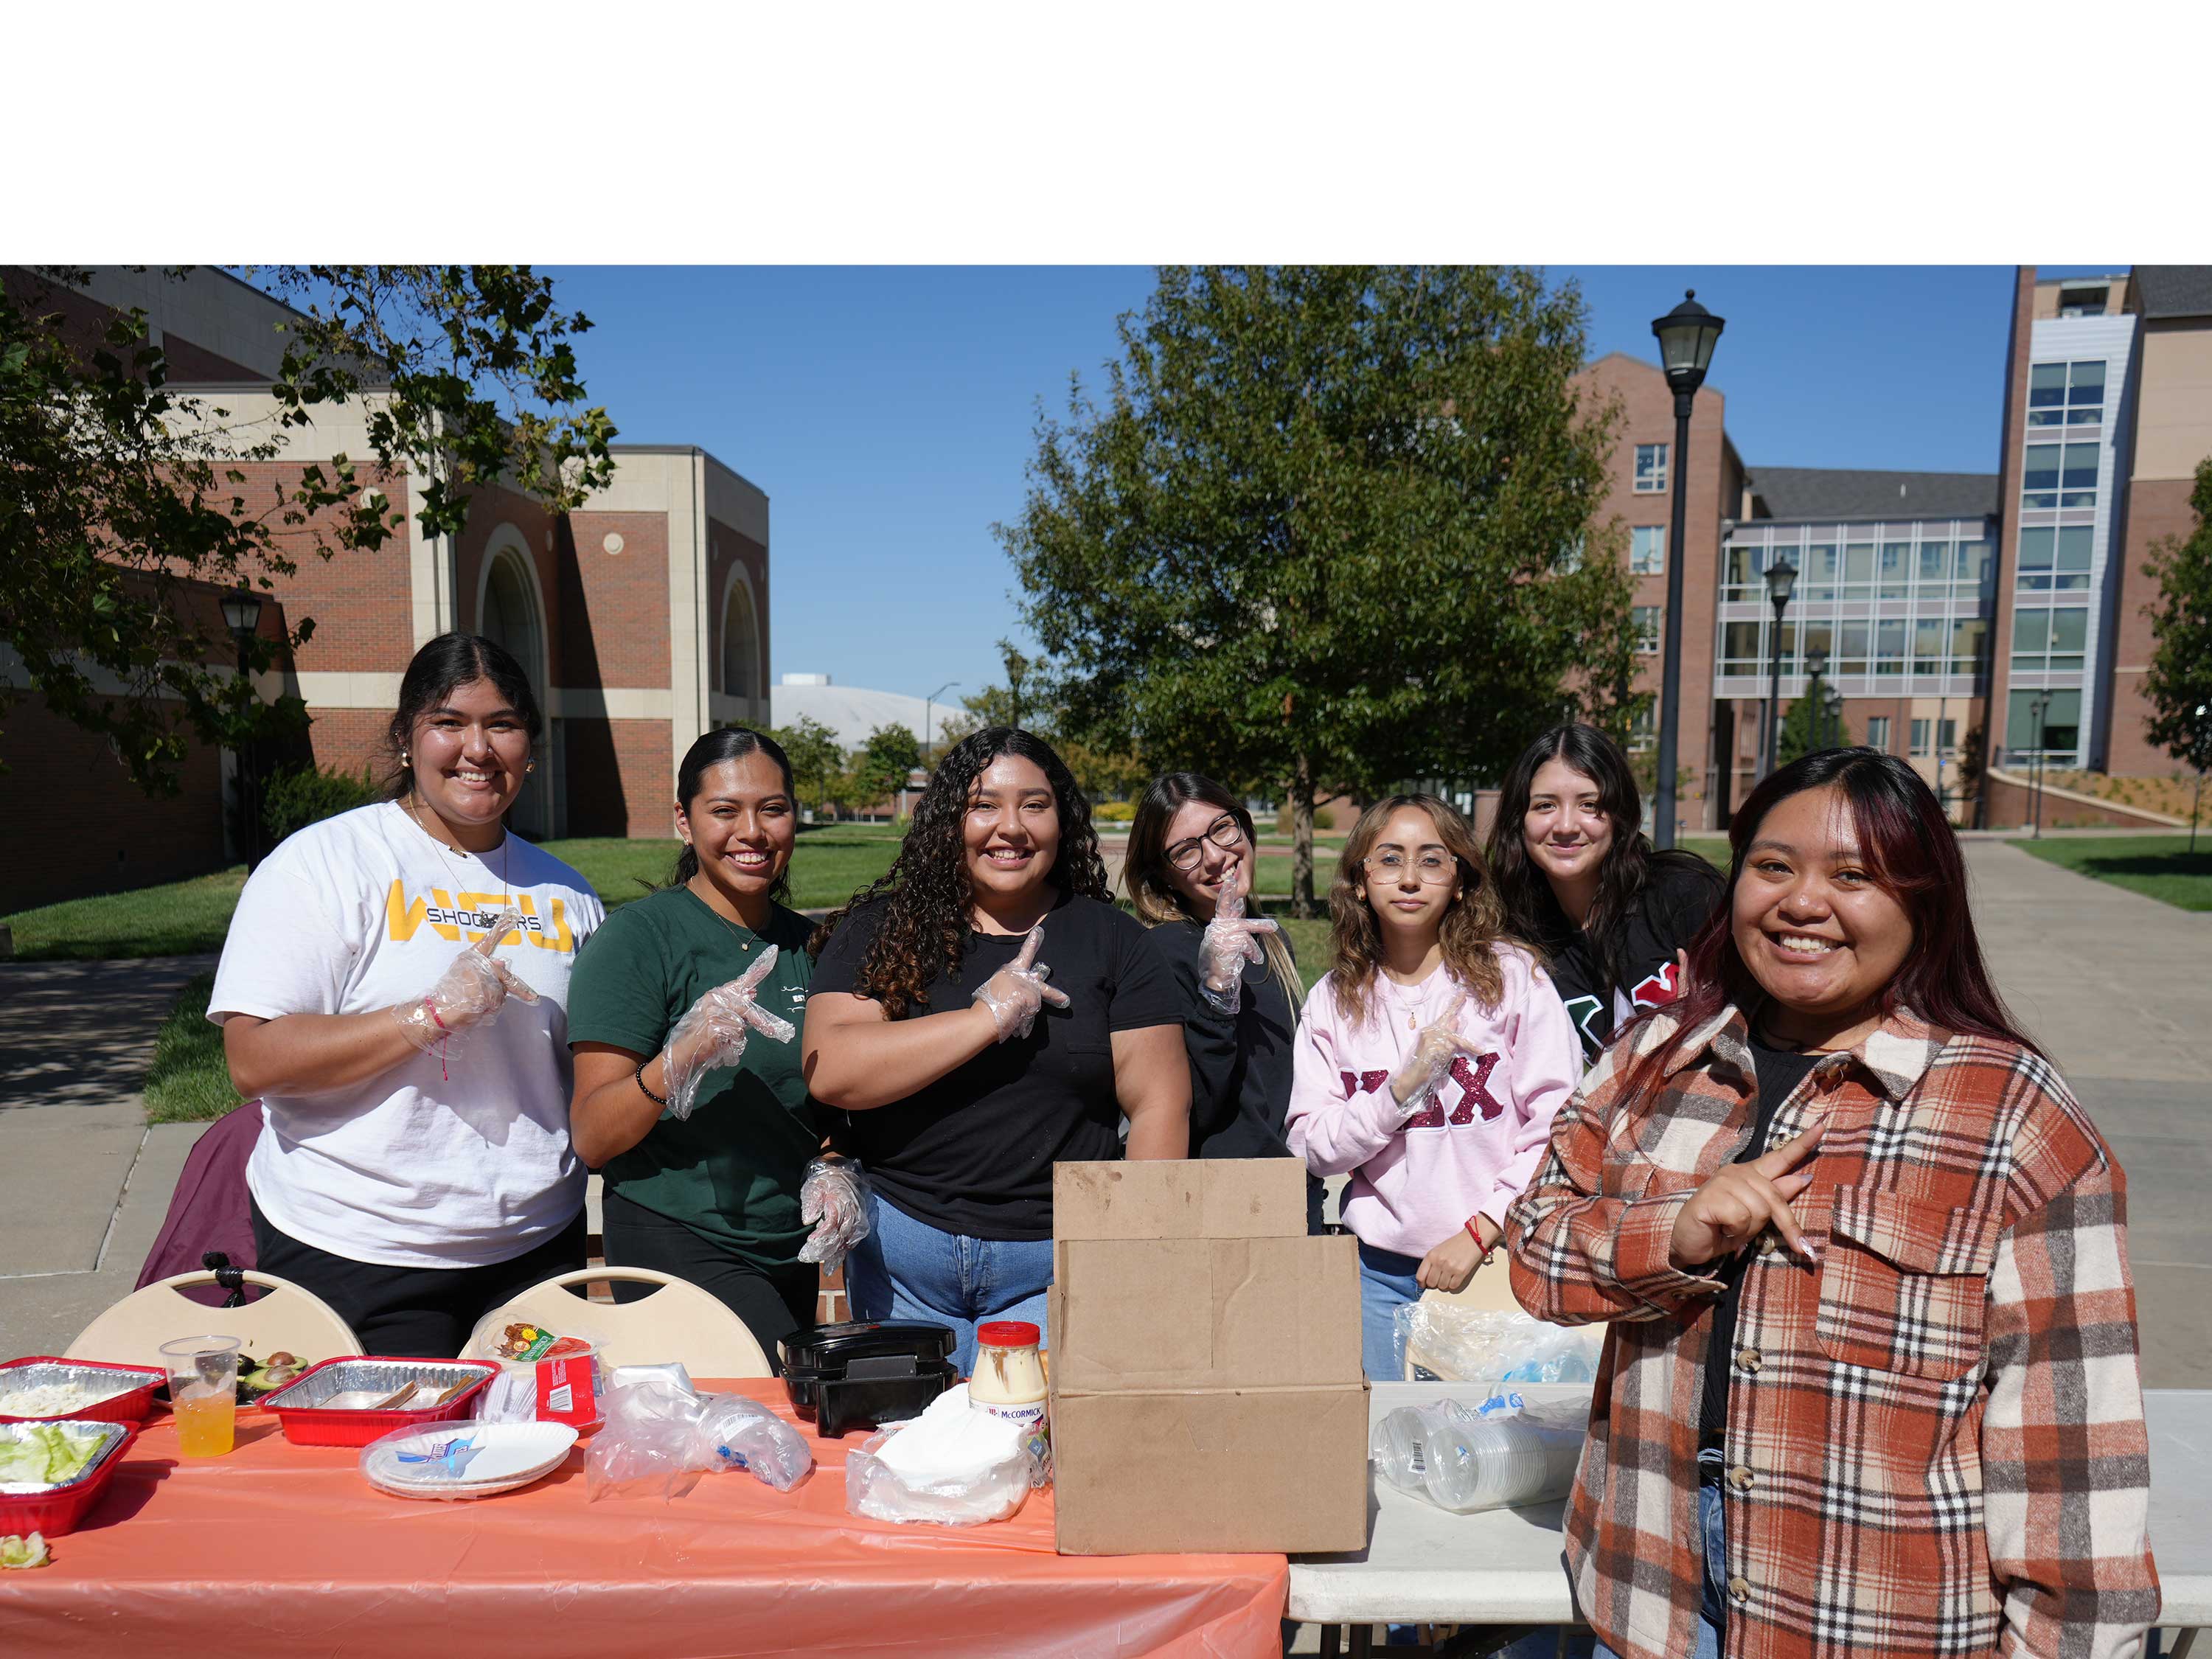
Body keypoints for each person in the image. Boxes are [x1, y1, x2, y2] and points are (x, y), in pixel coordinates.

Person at [1506, 750, 2160, 1659]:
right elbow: (1535, 1252)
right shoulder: (1658, 1057)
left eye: (1853, 876)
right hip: (1649, 1585)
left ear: (1922, 902)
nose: (1802, 903)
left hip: (1872, 1611)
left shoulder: (2014, 1115)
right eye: (1773, 867)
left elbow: (2074, 1468)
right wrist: (1677, 1233)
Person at [210, 633, 603, 1357]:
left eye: (503, 724)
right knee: (383, 1459)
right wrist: (428, 1016)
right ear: (406, 739)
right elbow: (253, 1058)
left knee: (538, 1459)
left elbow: (589, 1074)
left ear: (530, 748)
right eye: (449, 723)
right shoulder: (325, 864)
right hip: (360, 1246)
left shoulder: (567, 892)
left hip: (536, 1249)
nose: (477, 749)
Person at [802, 727, 1189, 1374]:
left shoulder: (1113, 942)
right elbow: (833, 1070)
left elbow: (1159, 1105)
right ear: (950, 820)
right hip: (903, 1263)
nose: (1010, 827)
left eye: (1034, 805)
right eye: (984, 805)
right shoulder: (885, 929)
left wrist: (1130, 1251)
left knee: (1031, 1450)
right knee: (916, 1455)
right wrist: (986, 1018)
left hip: (1050, 1264)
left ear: (1062, 821)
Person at [566, 728, 863, 1369]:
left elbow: (829, 1098)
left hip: (787, 1243)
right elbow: (592, 1135)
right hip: (676, 1234)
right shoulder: (637, 941)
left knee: (769, 1436)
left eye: (773, 809)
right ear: (684, 819)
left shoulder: (814, 949)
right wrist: (676, 1060)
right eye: (724, 810)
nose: (751, 832)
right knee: (776, 1395)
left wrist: (835, 1164)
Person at [1286, 793, 1580, 1382]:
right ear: (1360, 881)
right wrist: (1398, 1093)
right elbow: (1310, 1147)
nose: (1410, 879)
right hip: (1381, 1277)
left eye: (1432, 860)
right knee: (1394, 1454)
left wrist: (1483, 1228)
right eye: (1389, 860)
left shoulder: (1512, 979)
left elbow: (1561, 1124)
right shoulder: (1334, 1002)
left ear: (1462, 880)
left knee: (1499, 1456)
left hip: (1500, 1263)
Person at [1122, 773, 1325, 1231]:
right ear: (1162, 873)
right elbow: (1189, 1106)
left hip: (1292, 1186)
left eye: (1222, 829)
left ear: (1245, 828)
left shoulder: (1272, 939)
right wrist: (1215, 990)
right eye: (1185, 851)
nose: (1215, 857)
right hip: (1222, 1197)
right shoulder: (1163, 951)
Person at [1486, 723, 1722, 1068]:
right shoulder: (1513, 936)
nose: (1566, 826)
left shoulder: (1683, 895)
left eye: (1589, 804)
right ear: (1518, 821)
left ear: (1619, 814)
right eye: (1545, 806)